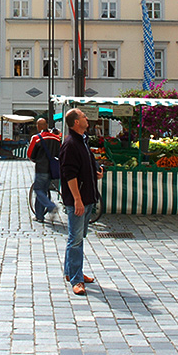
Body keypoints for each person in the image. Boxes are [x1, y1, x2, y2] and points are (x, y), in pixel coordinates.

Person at [59, 108, 103, 296]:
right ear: (76, 122)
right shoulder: (70, 144)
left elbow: (85, 166)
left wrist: (95, 173)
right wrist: (77, 199)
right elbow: (70, 174)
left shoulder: (83, 141)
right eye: (84, 116)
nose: (87, 118)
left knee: (78, 238)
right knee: (75, 239)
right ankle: (76, 278)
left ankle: (72, 271)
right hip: (78, 199)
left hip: (87, 197)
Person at [27, 118, 61, 223]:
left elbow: (30, 154)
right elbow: (59, 153)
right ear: (46, 125)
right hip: (52, 170)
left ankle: (51, 206)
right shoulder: (56, 138)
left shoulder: (36, 138)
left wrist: (36, 160)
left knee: (38, 190)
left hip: (41, 168)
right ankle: (39, 215)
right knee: (43, 191)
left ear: (38, 126)